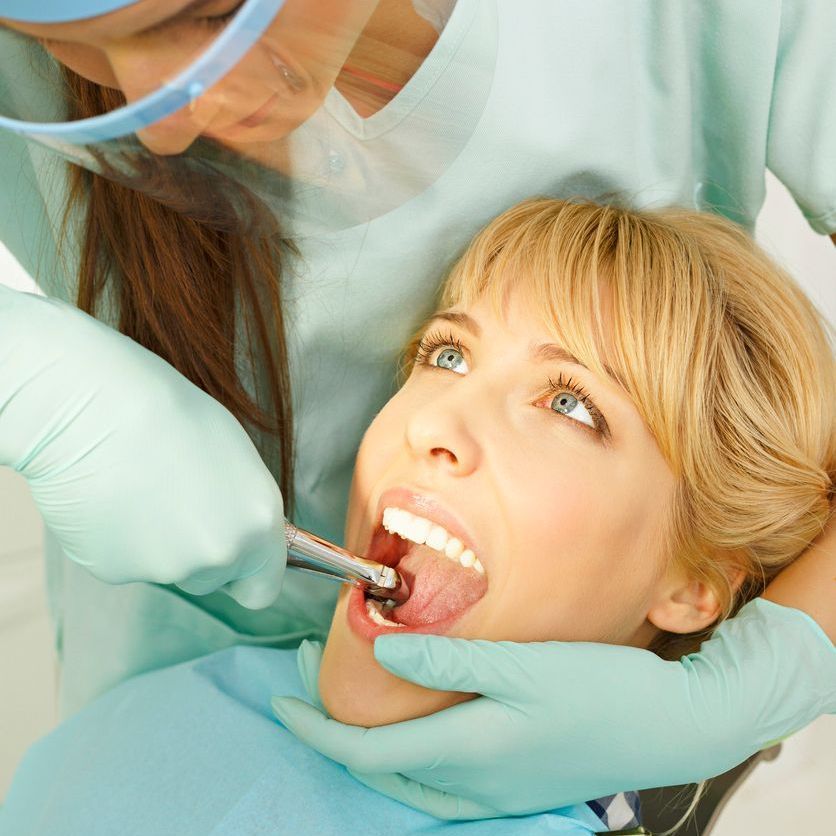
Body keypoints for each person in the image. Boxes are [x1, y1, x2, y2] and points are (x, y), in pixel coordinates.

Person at [0, 0, 834, 818]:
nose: (163, 130)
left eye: (570, 403)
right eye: (445, 355)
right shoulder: (128, 745)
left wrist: (763, 676)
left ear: (694, 587)